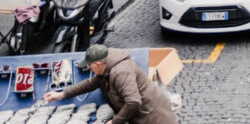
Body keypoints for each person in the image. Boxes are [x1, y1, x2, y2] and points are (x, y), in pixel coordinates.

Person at [43, 44, 176, 124]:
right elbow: (89, 84)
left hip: (153, 117)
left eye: (90, 66)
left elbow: (133, 101)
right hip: (143, 115)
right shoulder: (106, 69)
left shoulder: (120, 72)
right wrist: (61, 94)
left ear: (99, 64)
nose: (89, 69)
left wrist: (115, 121)